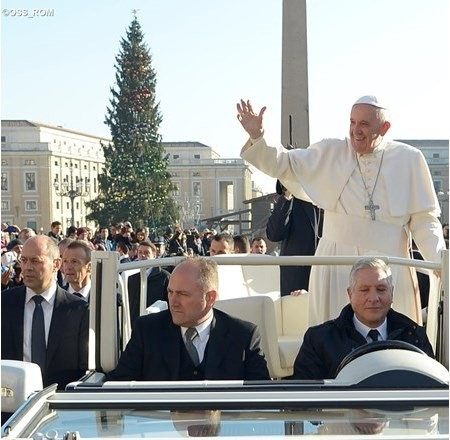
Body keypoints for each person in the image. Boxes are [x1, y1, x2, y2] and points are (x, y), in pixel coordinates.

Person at [237, 96, 445, 326]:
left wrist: (440, 261)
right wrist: (258, 137)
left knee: (393, 336)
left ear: (384, 128)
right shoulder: (331, 152)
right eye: (352, 122)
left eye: (364, 124)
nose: (356, 130)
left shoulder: (409, 159)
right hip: (337, 266)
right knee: (334, 335)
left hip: (391, 265)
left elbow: (424, 221)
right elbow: (284, 163)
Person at [106, 257, 270, 381]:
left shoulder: (243, 336)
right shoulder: (147, 330)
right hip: (159, 417)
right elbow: (119, 385)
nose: (173, 302)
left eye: (183, 294)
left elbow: (262, 395)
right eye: (170, 292)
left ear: (210, 298)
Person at [292, 258, 434, 380]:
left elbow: (431, 387)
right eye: (364, 290)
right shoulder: (319, 340)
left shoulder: (414, 337)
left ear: (392, 293)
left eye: (381, 289)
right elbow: (304, 396)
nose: (373, 298)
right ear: (350, 294)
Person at [1, 235, 89, 389]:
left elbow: (84, 368)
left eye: (35, 261)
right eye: (24, 260)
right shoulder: (5, 304)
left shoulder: (78, 310)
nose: (27, 267)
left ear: (56, 264)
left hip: (61, 399)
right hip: (12, 399)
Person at [266, 180, 323, 295]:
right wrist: (287, 196)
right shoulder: (291, 201)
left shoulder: (331, 199)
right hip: (297, 282)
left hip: (326, 274)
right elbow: (274, 234)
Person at [127, 240, 170, 327]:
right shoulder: (131, 278)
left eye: (146, 253)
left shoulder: (165, 278)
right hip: (135, 326)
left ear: (154, 255)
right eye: (140, 252)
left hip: (157, 326)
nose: (142, 255)